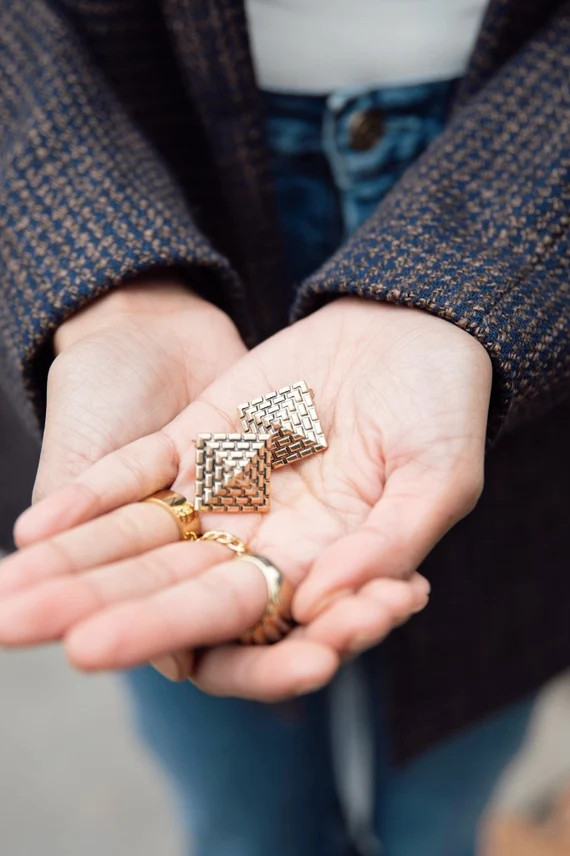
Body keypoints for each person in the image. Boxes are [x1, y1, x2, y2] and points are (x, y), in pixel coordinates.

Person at [0, 1, 569, 854]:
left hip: (519, 205)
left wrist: (485, 268)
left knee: (444, 801)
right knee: (242, 814)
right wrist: (107, 288)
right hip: (156, 148)